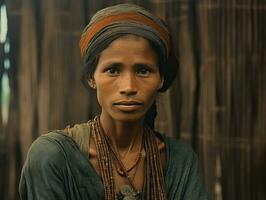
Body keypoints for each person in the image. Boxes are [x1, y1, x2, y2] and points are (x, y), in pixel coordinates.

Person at [19, 3, 209, 200]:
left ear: (160, 78)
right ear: (92, 77)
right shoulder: (51, 157)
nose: (128, 87)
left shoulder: (180, 162)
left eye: (143, 70)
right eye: (113, 70)